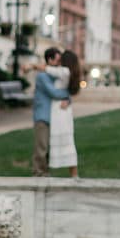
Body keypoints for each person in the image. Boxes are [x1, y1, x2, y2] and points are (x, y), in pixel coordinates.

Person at [32, 47, 70, 176]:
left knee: (48, 147)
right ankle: (38, 172)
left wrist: (68, 98)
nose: (60, 63)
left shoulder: (55, 75)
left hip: (53, 116)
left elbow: (63, 89)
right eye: (58, 60)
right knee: (41, 147)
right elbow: (54, 92)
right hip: (42, 116)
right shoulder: (43, 77)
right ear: (50, 60)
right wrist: (68, 95)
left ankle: (45, 172)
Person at [47, 49, 81, 177]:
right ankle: (73, 173)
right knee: (67, 140)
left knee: (60, 139)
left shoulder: (63, 71)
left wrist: (31, 66)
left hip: (58, 110)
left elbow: (46, 69)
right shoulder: (68, 72)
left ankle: (71, 173)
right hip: (64, 110)